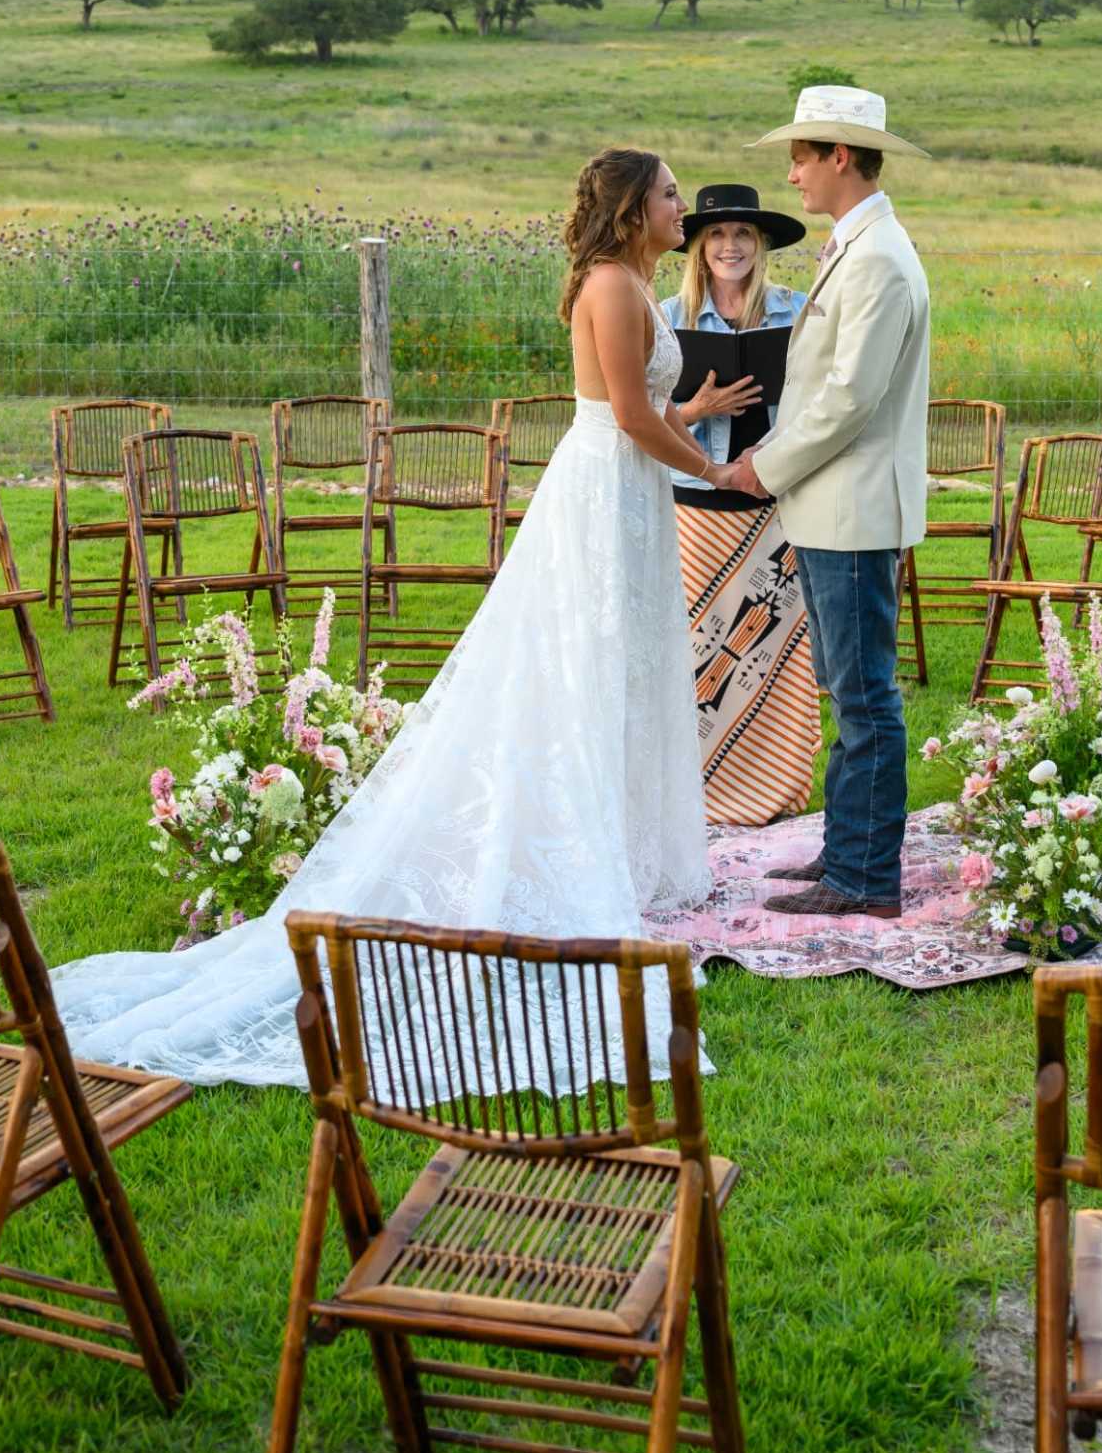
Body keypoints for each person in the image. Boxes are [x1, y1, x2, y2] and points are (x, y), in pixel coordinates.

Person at [52, 148, 757, 1088]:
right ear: (636, 208)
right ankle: (573, 847)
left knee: (618, 663)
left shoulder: (623, 278)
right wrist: (711, 465)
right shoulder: (617, 287)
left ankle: (619, 844)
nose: (685, 206)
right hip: (608, 490)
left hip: (620, 491)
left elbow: (639, 400)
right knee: (586, 668)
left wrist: (693, 405)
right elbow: (626, 415)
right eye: (673, 193)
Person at [719, 87, 933, 919]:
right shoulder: (861, 245)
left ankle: (865, 877)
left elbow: (849, 399)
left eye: (802, 155)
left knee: (865, 695)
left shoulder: (878, 257)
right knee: (850, 690)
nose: (792, 172)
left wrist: (761, 467)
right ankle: (847, 854)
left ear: (840, 155)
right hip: (833, 503)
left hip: (849, 506)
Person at [663, 183, 823, 828]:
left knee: (775, 646)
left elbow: (822, 404)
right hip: (697, 502)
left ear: (760, 247)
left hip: (774, 500)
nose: (731, 246)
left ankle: (774, 782)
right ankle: (693, 786)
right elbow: (641, 414)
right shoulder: (668, 316)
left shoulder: (798, 312)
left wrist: (769, 458)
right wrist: (699, 411)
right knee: (698, 646)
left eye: (744, 236)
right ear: (699, 248)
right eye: (718, 236)